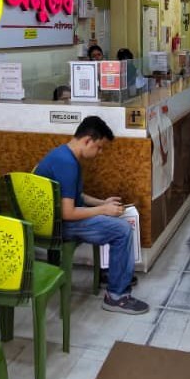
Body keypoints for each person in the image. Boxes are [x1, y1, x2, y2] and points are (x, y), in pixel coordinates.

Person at [34, 117, 149, 315]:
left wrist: (101, 203)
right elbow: (68, 212)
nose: (100, 153)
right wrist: (103, 211)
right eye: (99, 147)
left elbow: (73, 196)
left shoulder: (62, 155)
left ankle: (116, 275)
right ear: (87, 140)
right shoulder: (68, 164)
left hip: (52, 219)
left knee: (115, 221)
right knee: (121, 230)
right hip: (57, 225)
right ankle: (116, 296)